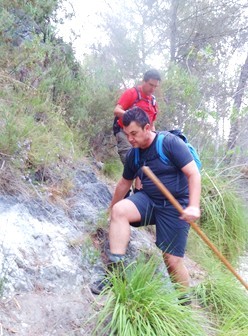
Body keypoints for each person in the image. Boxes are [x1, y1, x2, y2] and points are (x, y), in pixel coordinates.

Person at [91, 107, 201, 303]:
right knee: (120, 211)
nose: (130, 139)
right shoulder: (134, 155)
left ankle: (185, 305)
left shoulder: (169, 143)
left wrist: (193, 206)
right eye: (127, 135)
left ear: (147, 127)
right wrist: (111, 210)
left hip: (175, 206)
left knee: (172, 261)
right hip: (149, 200)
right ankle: (115, 274)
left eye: (134, 133)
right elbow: (124, 184)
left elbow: (193, 174)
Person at [113, 69, 161, 191]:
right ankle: (124, 197)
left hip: (142, 139)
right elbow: (117, 111)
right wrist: (133, 120)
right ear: (143, 81)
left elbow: (152, 124)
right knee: (132, 165)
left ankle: (137, 195)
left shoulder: (153, 101)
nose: (152, 88)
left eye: (155, 86)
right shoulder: (132, 93)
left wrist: (154, 139)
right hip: (125, 133)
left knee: (143, 167)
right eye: (151, 85)